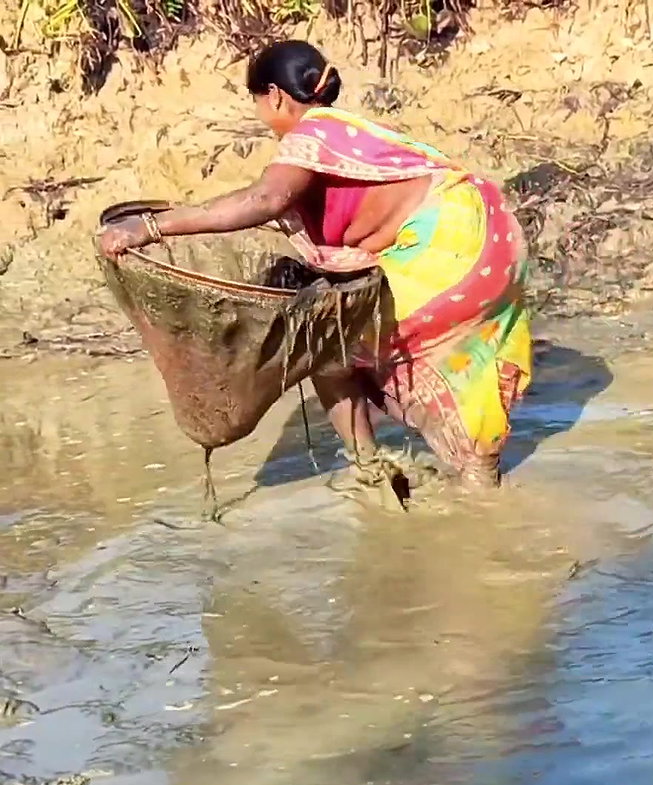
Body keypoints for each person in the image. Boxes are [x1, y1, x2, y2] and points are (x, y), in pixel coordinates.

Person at [98, 39, 532, 488]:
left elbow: (265, 200)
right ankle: (480, 479)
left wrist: (150, 227)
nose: (262, 116)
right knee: (464, 363)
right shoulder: (346, 130)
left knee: (326, 345)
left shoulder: (309, 136)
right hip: (488, 235)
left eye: (257, 103)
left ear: (275, 96)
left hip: (443, 252)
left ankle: (368, 468)